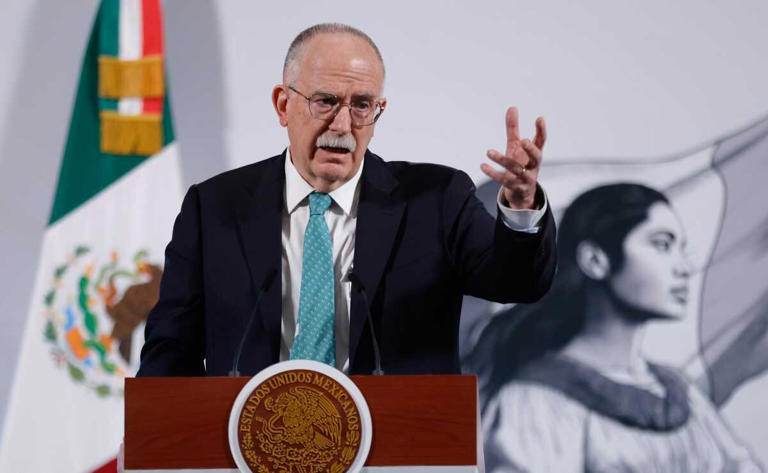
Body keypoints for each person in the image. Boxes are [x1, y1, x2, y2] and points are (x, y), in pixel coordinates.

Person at [137, 23, 557, 377]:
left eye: (361, 106)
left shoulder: (436, 199)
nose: (342, 124)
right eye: (325, 101)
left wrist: (521, 205)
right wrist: (156, 435)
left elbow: (518, 283)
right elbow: (171, 348)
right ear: (283, 105)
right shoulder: (214, 208)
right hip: (252, 440)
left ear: (378, 110)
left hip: (398, 439)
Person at [468, 183, 762, 473]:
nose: (683, 268)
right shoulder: (537, 400)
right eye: (662, 245)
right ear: (595, 260)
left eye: (681, 249)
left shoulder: (680, 393)